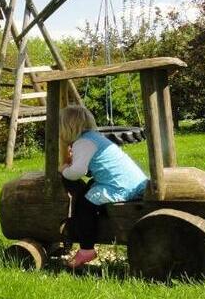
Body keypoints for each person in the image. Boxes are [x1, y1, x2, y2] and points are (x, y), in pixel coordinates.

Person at [58, 105, 148, 269]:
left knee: (84, 206)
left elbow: (77, 172)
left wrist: (64, 170)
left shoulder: (83, 143)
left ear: (67, 127)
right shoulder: (94, 137)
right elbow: (93, 169)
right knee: (90, 188)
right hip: (132, 181)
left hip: (119, 187)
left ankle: (87, 249)